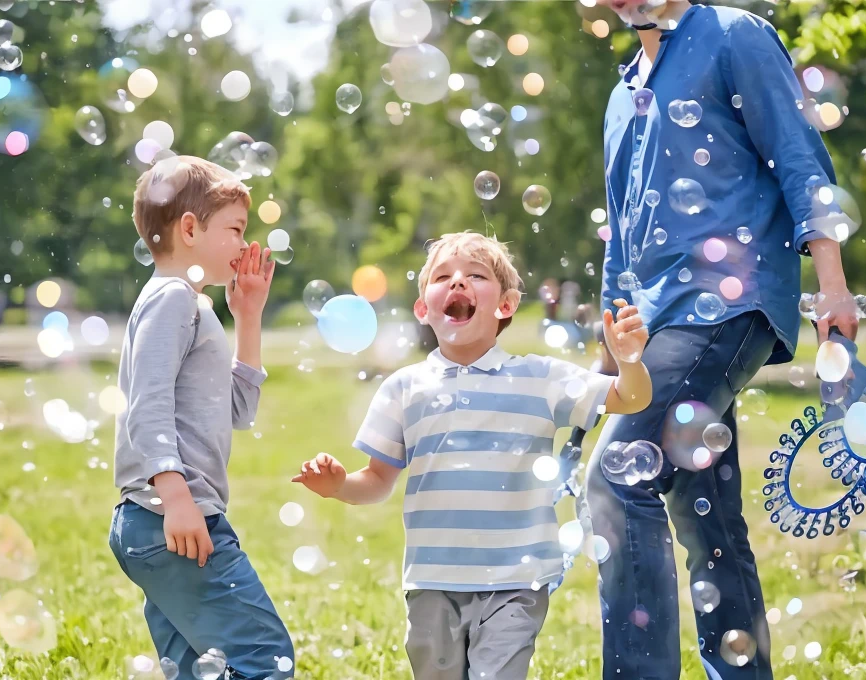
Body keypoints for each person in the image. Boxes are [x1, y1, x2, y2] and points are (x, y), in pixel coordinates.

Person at [569, 1, 860, 679]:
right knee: (708, 523)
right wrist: (612, 354)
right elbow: (623, 233)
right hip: (655, 324)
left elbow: (799, 158)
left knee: (618, 481)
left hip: (726, 303)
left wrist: (833, 286)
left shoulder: (733, 35)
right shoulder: (621, 94)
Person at [292, 232, 652, 680]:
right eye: (443, 277)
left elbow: (627, 399)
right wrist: (339, 486)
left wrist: (630, 362)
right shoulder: (403, 388)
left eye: (475, 276)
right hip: (431, 579)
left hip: (516, 580)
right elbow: (378, 479)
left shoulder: (540, 378)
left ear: (506, 304)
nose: (458, 283)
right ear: (424, 309)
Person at [107, 156, 294, 679]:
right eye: (235, 229)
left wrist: (249, 317)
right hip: (172, 516)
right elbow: (146, 405)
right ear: (190, 229)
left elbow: (239, 410)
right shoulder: (172, 298)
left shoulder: (195, 305)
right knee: (264, 657)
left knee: (195, 671)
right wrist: (177, 498)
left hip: (161, 519)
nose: (243, 244)